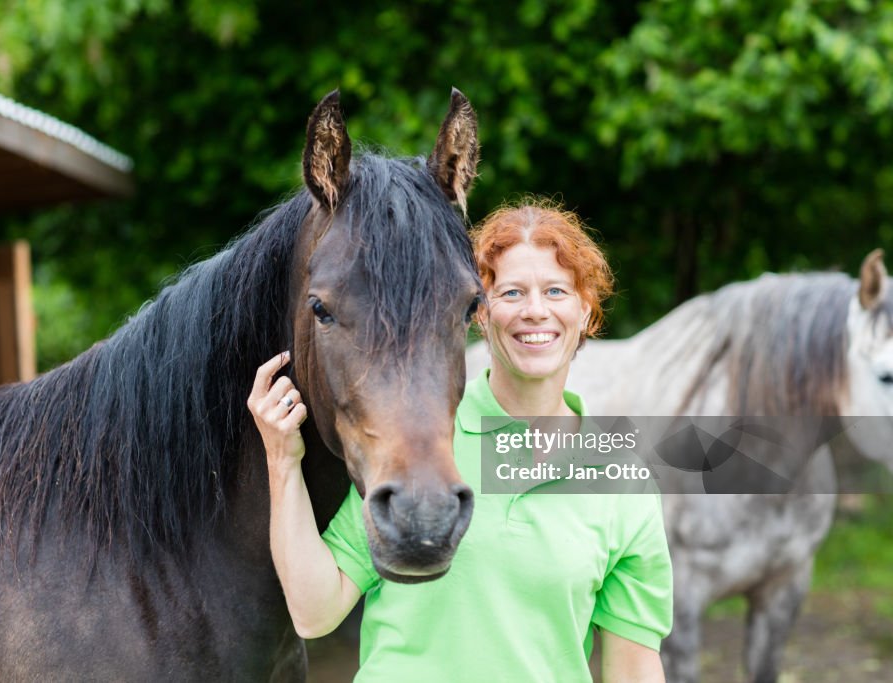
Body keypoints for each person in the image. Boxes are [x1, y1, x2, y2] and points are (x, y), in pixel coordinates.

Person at [248, 200, 673, 682]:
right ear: (479, 312)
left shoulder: (621, 482)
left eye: (556, 290)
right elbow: (315, 610)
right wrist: (282, 459)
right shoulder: (422, 435)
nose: (535, 311)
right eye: (511, 293)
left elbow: (635, 669)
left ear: (585, 309)